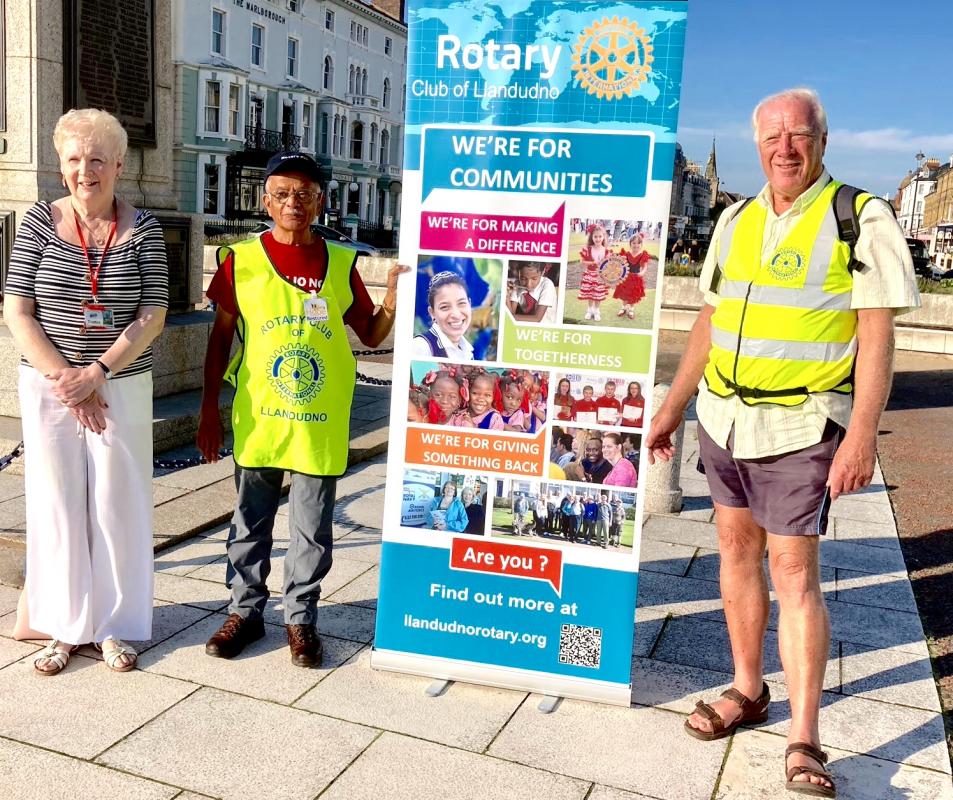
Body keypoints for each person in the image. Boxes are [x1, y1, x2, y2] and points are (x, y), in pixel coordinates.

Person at [645, 88, 919, 798]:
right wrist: (673, 407)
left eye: (798, 134)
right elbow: (708, 319)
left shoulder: (859, 216)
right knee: (734, 553)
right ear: (756, 143)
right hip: (724, 420)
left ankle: (804, 739)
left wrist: (860, 435)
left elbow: (875, 333)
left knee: (794, 575)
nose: (784, 147)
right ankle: (746, 687)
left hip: (799, 426)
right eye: (771, 135)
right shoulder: (733, 218)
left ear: (821, 141)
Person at [197, 151, 407, 668]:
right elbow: (220, 339)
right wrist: (208, 409)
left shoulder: (339, 263)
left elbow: (372, 333)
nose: (295, 202)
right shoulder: (239, 261)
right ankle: (244, 613)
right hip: (261, 415)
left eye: (306, 194)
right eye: (284, 193)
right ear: (266, 199)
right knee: (250, 521)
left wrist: (395, 300)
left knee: (312, 527)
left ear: (320, 202)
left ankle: (301, 621)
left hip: (320, 420)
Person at [4, 108, 168, 675]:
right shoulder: (38, 224)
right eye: (74, 159)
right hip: (51, 388)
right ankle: (64, 626)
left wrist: (96, 372)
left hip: (120, 384)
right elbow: (18, 312)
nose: (85, 170)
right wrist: (69, 382)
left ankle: (115, 626)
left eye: (97, 159)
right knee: (57, 505)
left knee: (116, 506)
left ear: (119, 165)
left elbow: (152, 315)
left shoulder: (145, 229)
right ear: (61, 163)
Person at [412, 271, 473, 360]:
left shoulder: (467, 350)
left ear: (470, 304)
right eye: (444, 307)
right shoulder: (421, 347)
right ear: (432, 313)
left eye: (461, 303)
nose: (456, 315)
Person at [578, 223, 610, 320]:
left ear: (603, 237)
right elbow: (582, 261)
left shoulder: (606, 250)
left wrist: (605, 266)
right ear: (591, 237)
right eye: (595, 236)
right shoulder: (588, 249)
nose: (598, 239)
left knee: (598, 294)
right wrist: (593, 262)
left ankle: (596, 311)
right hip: (590, 275)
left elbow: (608, 264)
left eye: (600, 236)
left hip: (600, 276)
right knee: (590, 294)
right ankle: (589, 310)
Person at [613, 233, 649, 319]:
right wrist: (621, 260)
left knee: (633, 295)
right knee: (624, 294)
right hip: (626, 277)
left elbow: (645, 267)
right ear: (630, 244)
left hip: (636, 278)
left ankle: (631, 309)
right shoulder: (627, 254)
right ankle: (624, 308)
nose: (636, 245)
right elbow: (620, 264)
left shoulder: (642, 255)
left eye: (638, 243)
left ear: (641, 245)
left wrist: (642, 272)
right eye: (633, 243)